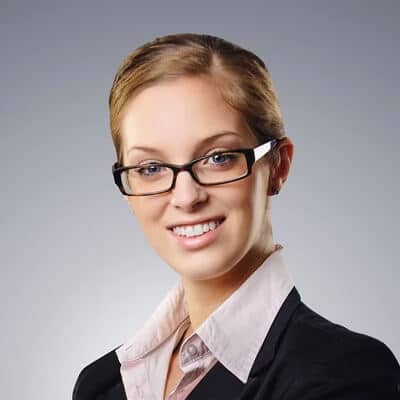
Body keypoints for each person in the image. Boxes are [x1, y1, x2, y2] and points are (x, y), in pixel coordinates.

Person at [72, 33, 400, 400]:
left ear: (278, 166)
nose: (186, 197)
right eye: (151, 168)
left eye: (218, 158)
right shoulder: (101, 385)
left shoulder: (345, 374)